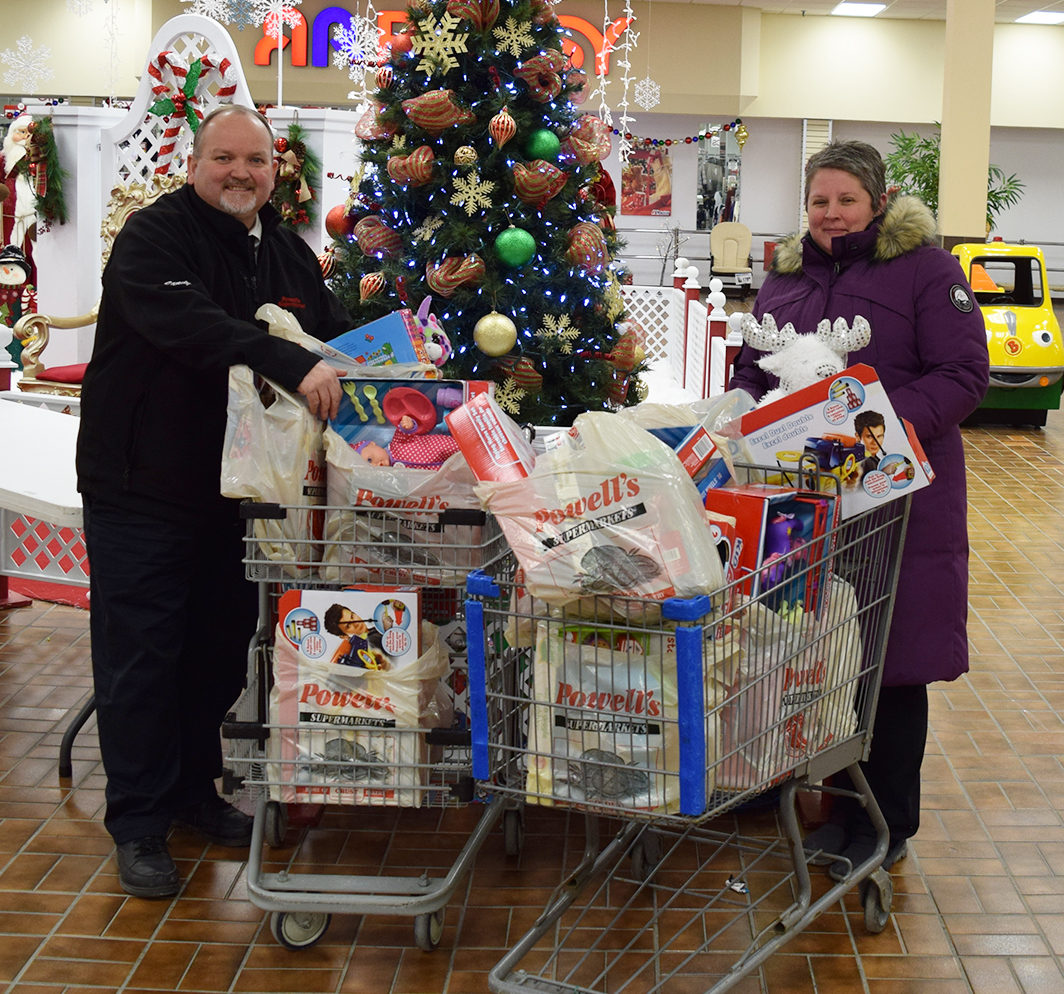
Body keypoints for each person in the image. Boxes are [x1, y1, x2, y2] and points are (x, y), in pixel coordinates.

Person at [76, 105, 354, 899]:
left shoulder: (288, 252)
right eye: (224, 158)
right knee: (141, 662)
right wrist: (284, 361)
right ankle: (138, 822)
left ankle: (194, 792)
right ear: (194, 164)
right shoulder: (154, 237)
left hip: (239, 500)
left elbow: (331, 334)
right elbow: (190, 326)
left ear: (275, 171)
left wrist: (397, 352)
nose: (240, 173)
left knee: (213, 655)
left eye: (255, 161)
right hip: (142, 487)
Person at [730, 140, 989, 878]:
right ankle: (804, 792)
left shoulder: (928, 271)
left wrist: (873, 428)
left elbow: (965, 373)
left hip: (895, 500)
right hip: (798, 502)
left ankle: (881, 821)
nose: (832, 214)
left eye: (847, 199)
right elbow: (753, 368)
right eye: (820, 201)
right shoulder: (784, 279)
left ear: (878, 202)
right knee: (803, 646)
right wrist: (743, 412)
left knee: (888, 658)